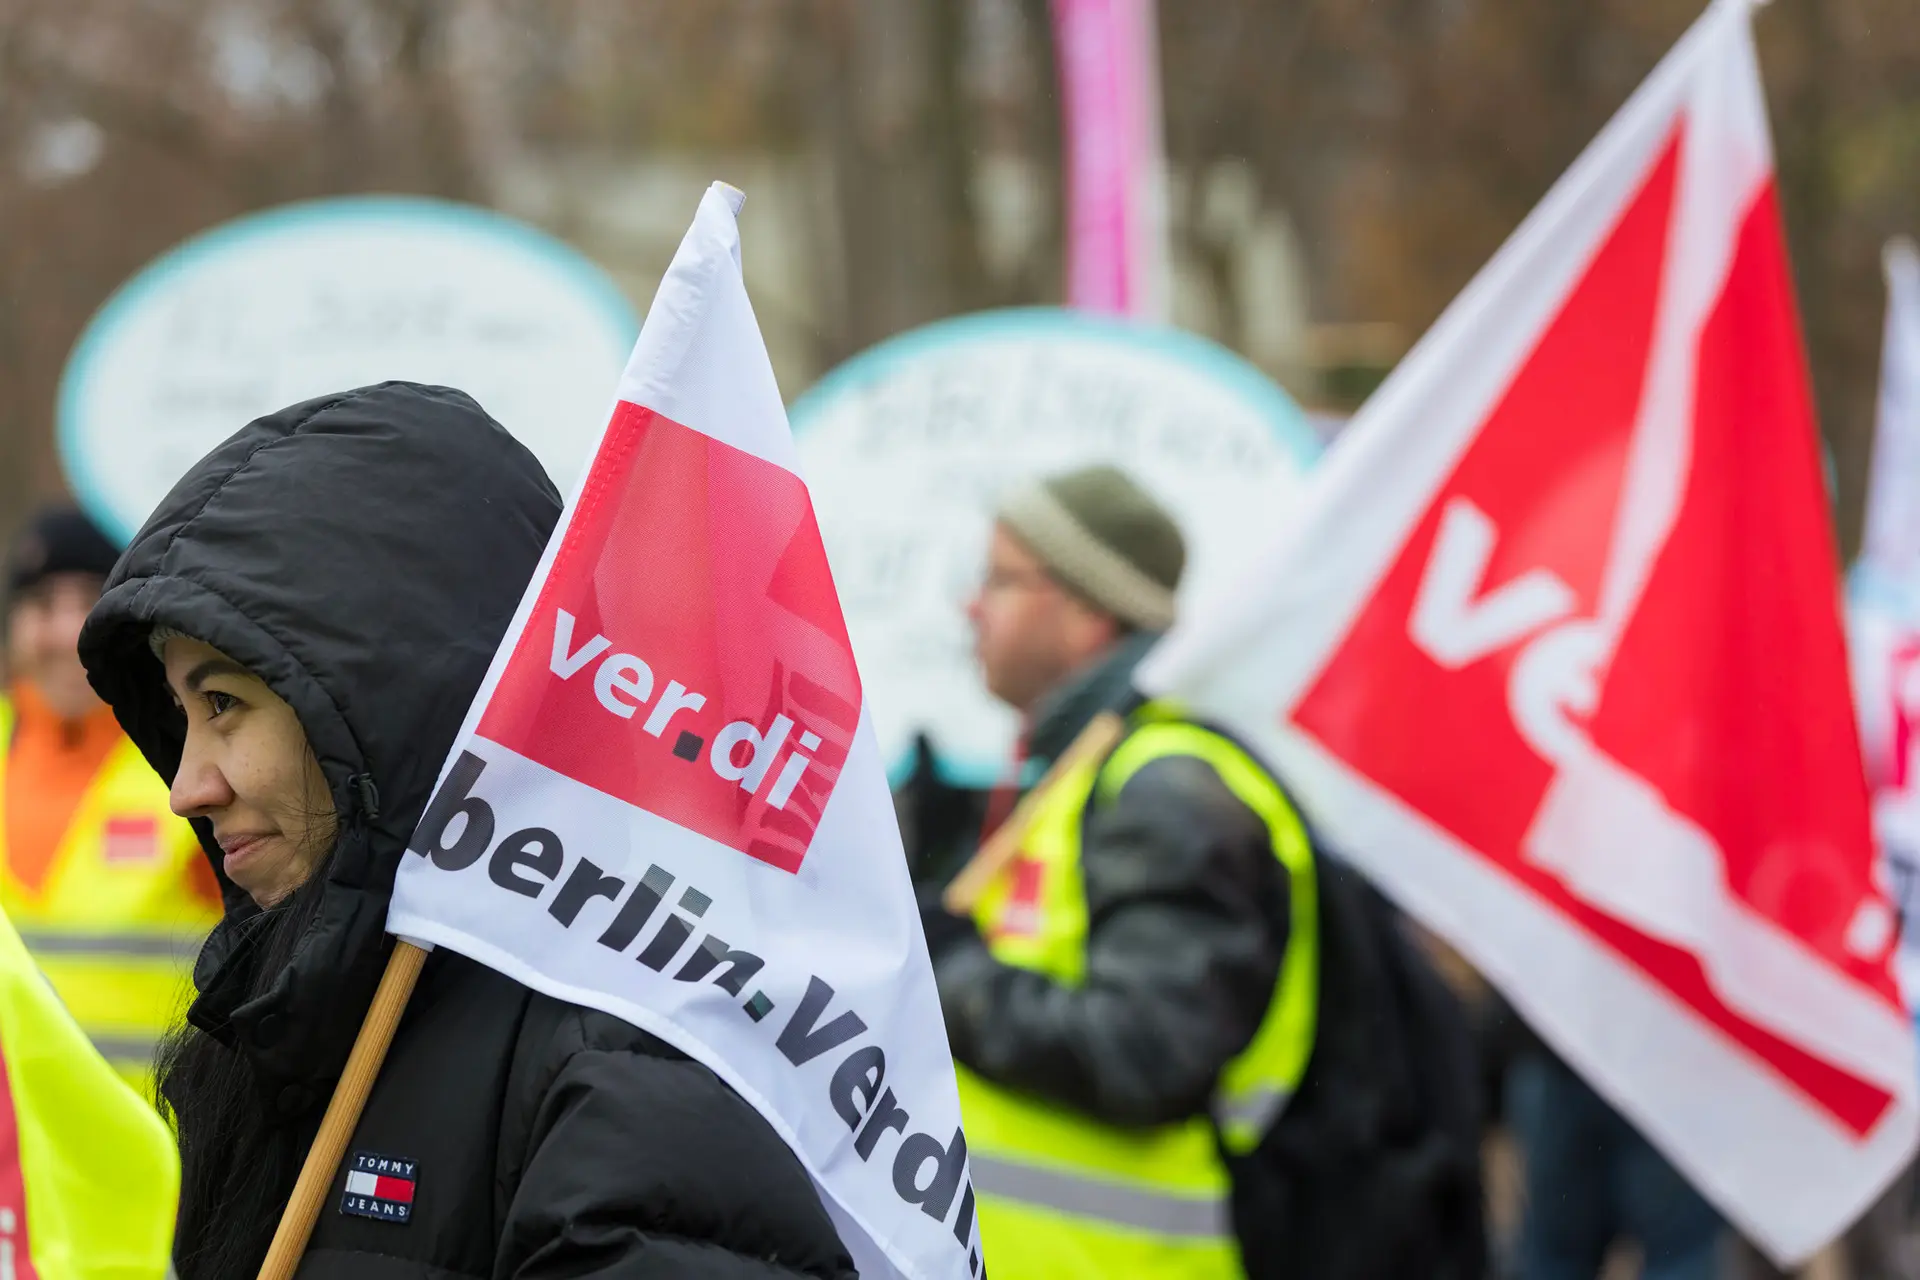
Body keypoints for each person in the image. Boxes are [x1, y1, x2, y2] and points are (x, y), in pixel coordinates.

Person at [79, 383, 856, 1279]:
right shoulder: (298, 1029)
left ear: (385, 706)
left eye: (223, 702)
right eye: (180, 715)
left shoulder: (629, 1065)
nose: (186, 788)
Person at [908, 464, 1484, 1280]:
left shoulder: (1168, 788)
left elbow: (1144, 1052)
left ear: (1088, 609)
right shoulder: (1087, 769)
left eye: (1001, 578)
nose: (972, 606)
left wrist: (951, 971)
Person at [1, 506, 219, 1087]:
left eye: (88, 601)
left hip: (155, 1142)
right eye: (43, 604)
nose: (66, 632)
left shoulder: (191, 761)